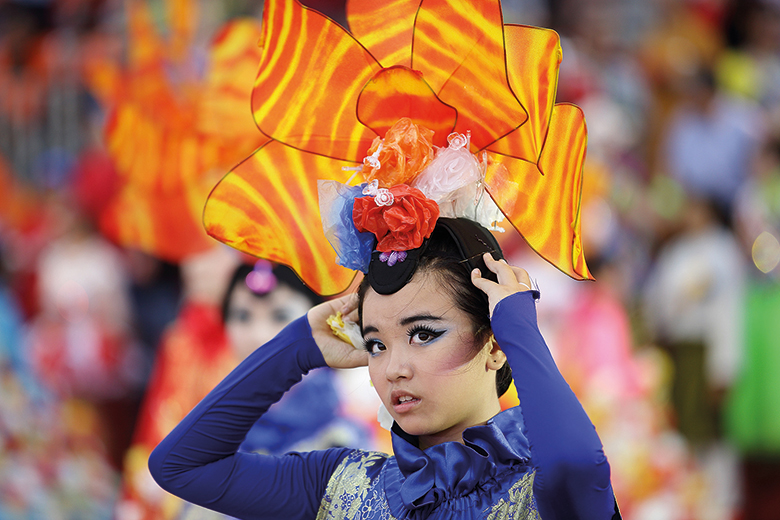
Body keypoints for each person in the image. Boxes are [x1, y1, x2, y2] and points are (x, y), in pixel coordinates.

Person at [149, 216, 620, 519]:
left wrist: (521, 330)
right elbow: (181, 466)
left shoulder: (544, 492)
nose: (393, 368)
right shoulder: (341, 483)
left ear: (494, 345)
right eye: (375, 344)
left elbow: (576, 462)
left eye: (423, 334)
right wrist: (298, 349)